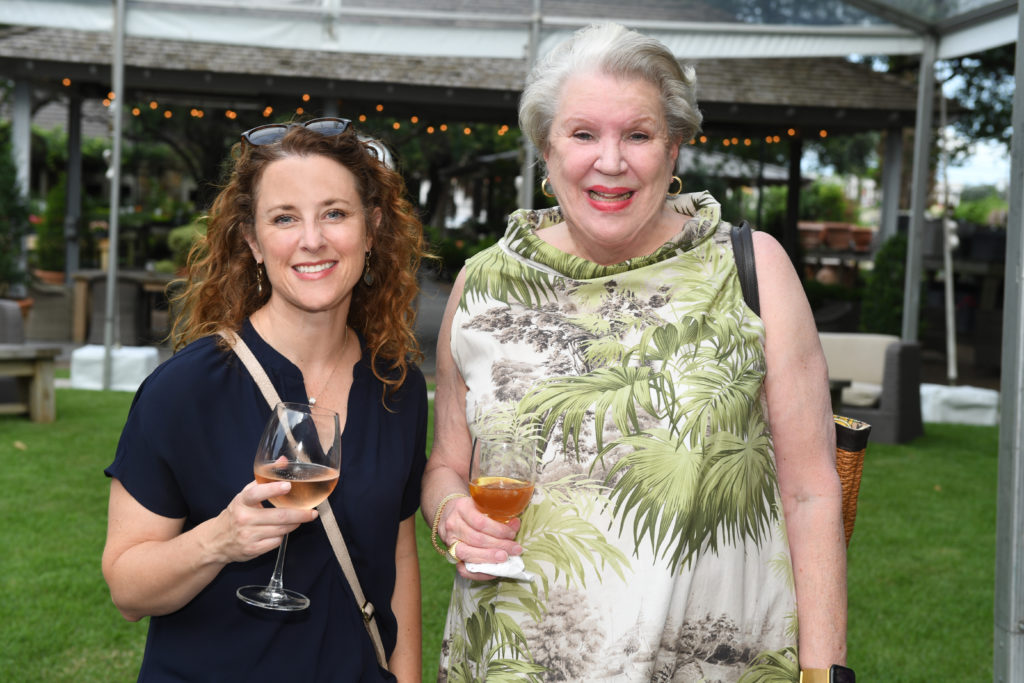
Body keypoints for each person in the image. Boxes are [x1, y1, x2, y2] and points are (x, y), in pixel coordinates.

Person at [422, 23, 848, 683]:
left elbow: (811, 491)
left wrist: (827, 673)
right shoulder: (482, 284)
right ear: (545, 146)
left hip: (710, 663)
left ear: (674, 147)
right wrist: (452, 513)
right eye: (583, 133)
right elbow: (447, 464)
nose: (611, 161)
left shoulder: (752, 269)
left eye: (639, 135)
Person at [102, 118, 428, 682]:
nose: (312, 240)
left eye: (335, 213)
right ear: (252, 242)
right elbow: (127, 591)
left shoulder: (398, 385)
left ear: (372, 230)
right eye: (284, 218)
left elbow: (397, 559)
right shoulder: (184, 390)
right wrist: (219, 540)